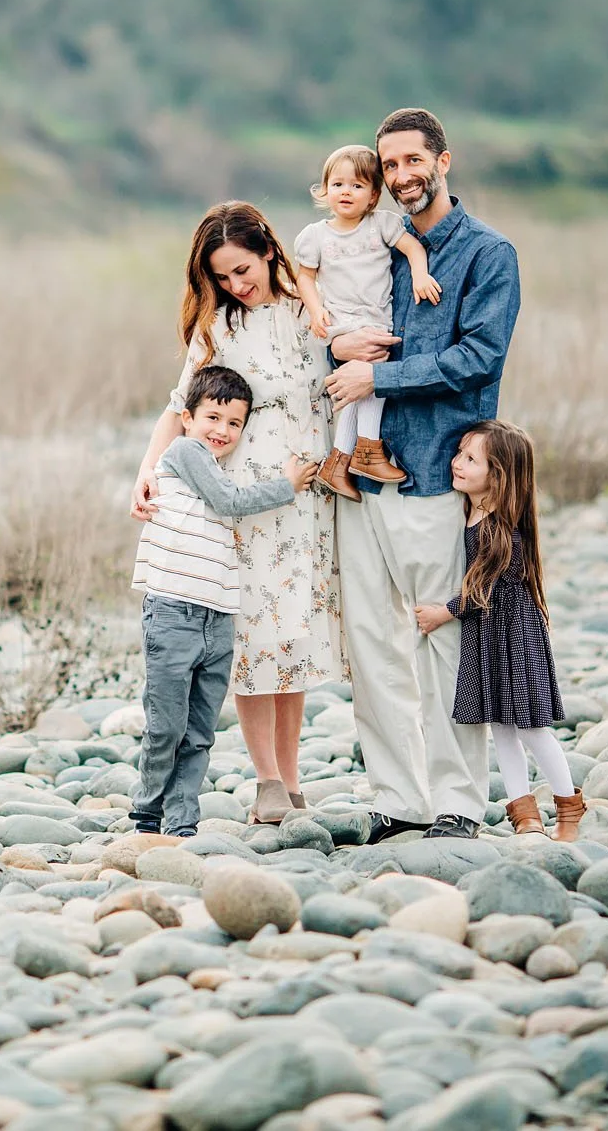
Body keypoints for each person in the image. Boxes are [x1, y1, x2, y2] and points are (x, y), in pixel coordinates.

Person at [325, 108, 521, 842]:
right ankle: (397, 798)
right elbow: (335, 337)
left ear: (445, 161)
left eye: (414, 161)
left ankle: (457, 803)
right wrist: (341, 343)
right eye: (391, 165)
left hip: (437, 471)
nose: (402, 176)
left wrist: (379, 377)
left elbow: (479, 359)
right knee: (373, 644)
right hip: (360, 479)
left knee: (442, 644)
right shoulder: (370, 246)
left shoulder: (488, 254)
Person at [132, 201, 345, 827]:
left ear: (271, 253)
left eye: (242, 269)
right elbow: (179, 409)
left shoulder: (312, 311)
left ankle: (295, 776)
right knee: (252, 635)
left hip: (308, 499)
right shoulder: (217, 329)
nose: (235, 285)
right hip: (245, 504)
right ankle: (268, 781)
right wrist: (148, 468)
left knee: (292, 637)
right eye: (222, 276)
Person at [129, 364, 318, 836]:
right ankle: (147, 809)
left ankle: (182, 819)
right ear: (187, 418)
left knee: (199, 732)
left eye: (234, 423)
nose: (222, 431)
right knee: (166, 724)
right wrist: (287, 486)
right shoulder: (185, 452)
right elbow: (230, 501)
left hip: (216, 619)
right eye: (213, 417)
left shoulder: (213, 464)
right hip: (173, 612)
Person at [414, 422, 583, 841]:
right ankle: (524, 814)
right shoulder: (469, 507)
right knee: (501, 728)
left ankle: (569, 808)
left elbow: (485, 588)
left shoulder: (501, 527)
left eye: (470, 460)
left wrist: (442, 613)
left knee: (530, 728)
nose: (456, 463)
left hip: (513, 635)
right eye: (460, 453)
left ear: (499, 476)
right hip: (489, 638)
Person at [292, 144, 439, 501]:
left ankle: (340, 463)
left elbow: (415, 249)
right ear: (325, 190)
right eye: (338, 184)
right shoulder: (316, 236)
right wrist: (315, 310)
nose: (346, 192)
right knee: (370, 378)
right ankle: (367, 450)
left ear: (374, 195)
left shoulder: (381, 225)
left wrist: (420, 275)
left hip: (375, 318)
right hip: (343, 323)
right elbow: (305, 278)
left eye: (357, 186)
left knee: (364, 387)